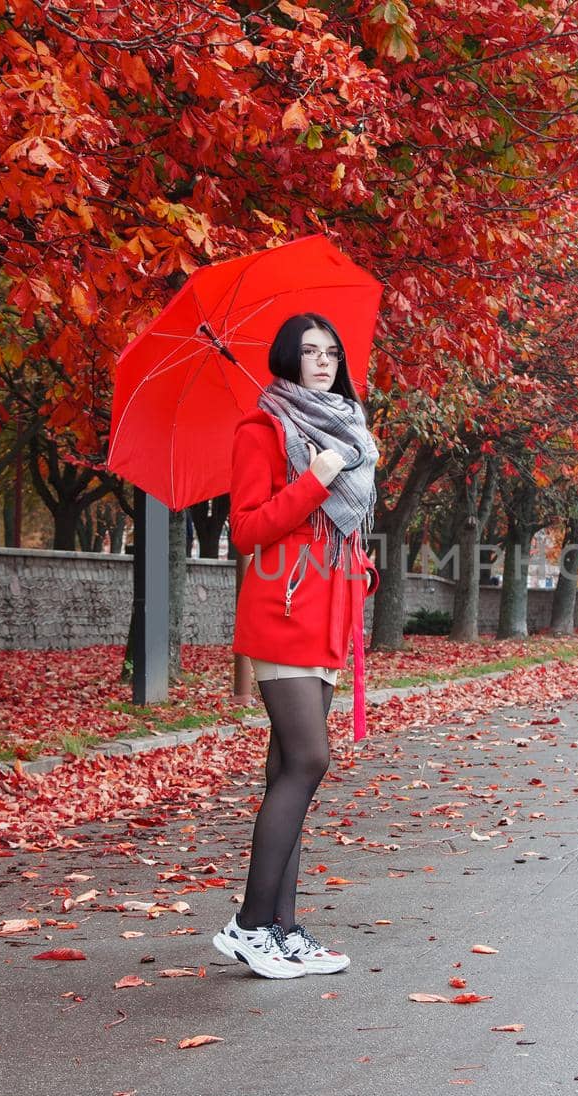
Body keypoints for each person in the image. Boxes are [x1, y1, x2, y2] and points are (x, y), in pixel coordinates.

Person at [213, 313, 379, 979]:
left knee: (287, 772)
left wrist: (360, 563)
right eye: (309, 352)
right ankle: (250, 924)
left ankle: (283, 929)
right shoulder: (262, 430)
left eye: (331, 352)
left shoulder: (346, 428)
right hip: (281, 613)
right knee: (310, 759)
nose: (323, 361)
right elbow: (248, 530)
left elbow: (336, 527)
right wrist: (314, 478)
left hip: (328, 614)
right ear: (287, 359)